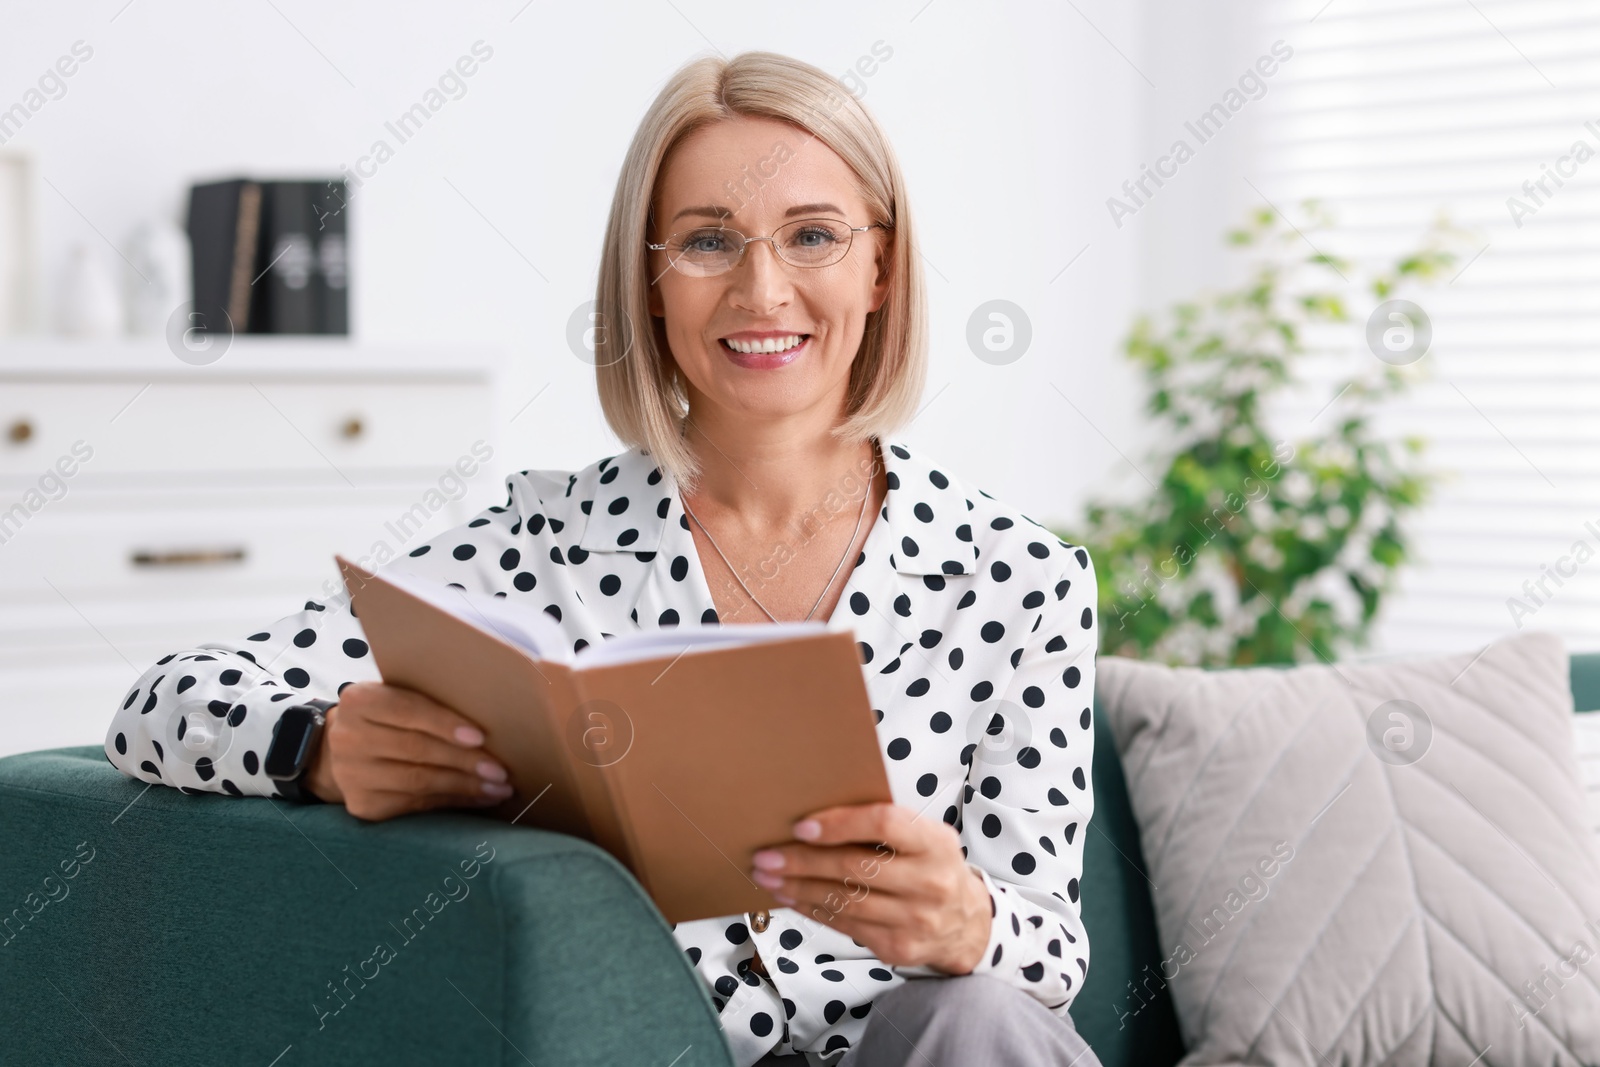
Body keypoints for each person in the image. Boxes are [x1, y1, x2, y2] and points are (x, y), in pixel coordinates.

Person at [103, 50, 1101, 1067]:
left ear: (879, 268)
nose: (763, 289)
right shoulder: (544, 546)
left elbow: (1052, 957)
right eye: (708, 241)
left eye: (812, 236)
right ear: (651, 282)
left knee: (978, 1016)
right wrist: (314, 750)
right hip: (633, 1044)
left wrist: (969, 922)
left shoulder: (1020, 580)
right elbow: (156, 705)